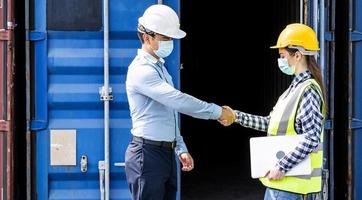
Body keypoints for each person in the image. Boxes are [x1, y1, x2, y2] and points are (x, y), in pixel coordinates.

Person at [125, 4, 235, 200]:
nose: (170, 42)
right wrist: (217, 112)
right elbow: (178, 101)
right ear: (147, 37)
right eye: (165, 38)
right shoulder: (142, 71)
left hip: (164, 154)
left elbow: (169, 112)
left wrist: (180, 147)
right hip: (147, 155)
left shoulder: (161, 68)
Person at [221, 23, 326, 200]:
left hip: (290, 185)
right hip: (282, 185)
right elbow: (271, 123)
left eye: (282, 55)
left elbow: (312, 138)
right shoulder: (293, 90)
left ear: (298, 55)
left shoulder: (307, 90)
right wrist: (237, 116)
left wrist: (281, 166)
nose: (280, 60)